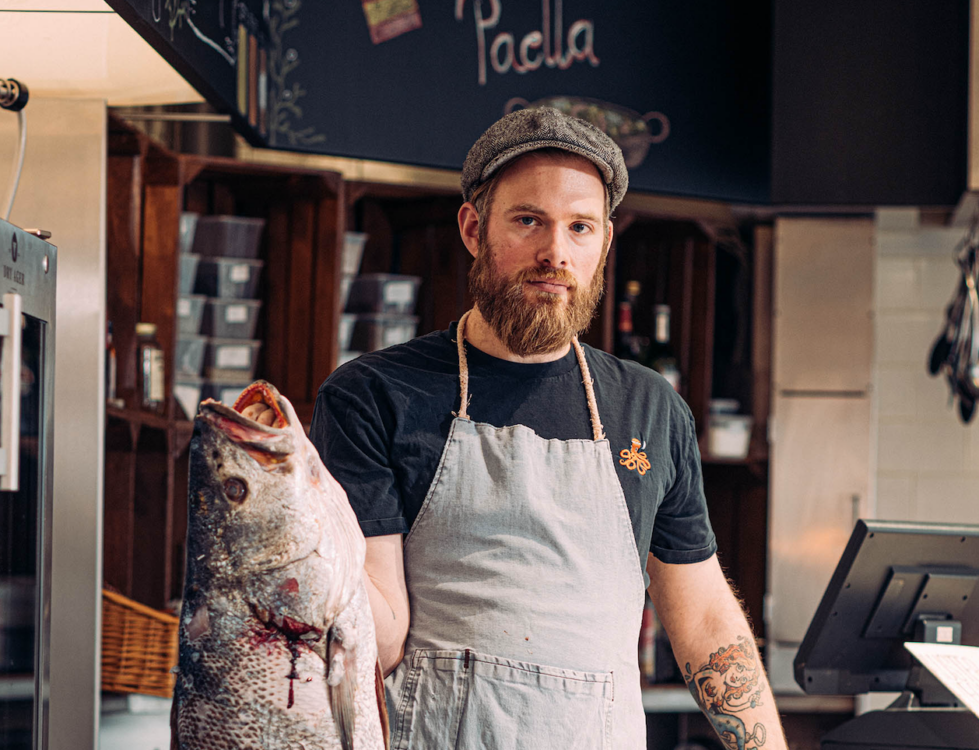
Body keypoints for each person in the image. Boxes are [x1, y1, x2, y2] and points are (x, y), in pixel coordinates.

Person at [310, 107, 787, 749]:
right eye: (529, 221)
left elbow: (703, 620)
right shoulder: (375, 395)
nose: (555, 254)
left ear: (604, 244)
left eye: (579, 227)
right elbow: (380, 634)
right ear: (474, 229)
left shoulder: (652, 409)